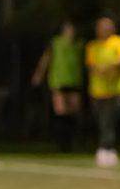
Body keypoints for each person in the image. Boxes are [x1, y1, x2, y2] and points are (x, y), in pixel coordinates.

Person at [85, 16, 120, 168]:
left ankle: (106, 150)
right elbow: (91, 66)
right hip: (98, 90)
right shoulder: (92, 46)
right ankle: (106, 149)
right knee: (103, 121)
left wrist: (111, 67)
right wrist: (102, 70)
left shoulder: (119, 42)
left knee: (109, 120)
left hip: (116, 90)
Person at [30, 20, 84, 152]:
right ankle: (61, 143)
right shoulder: (55, 43)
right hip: (58, 81)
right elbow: (46, 59)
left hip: (74, 81)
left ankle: (71, 141)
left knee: (73, 112)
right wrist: (39, 75)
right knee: (61, 111)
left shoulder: (79, 44)